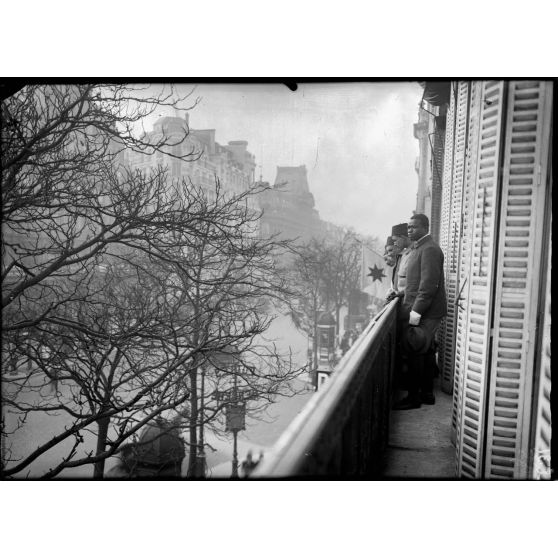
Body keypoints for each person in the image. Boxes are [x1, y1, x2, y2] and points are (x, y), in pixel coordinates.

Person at [393, 213, 447, 410]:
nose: (409, 230)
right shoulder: (420, 247)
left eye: (414, 227)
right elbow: (414, 283)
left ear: (425, 228)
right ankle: (426, 394)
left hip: (426, 311)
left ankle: (414, 398)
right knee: (424, 351)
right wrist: (401, 295)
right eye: (408, 227)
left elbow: (428, 287)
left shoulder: (430, 249)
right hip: (422, 308)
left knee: (415, 349)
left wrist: (415, 314)